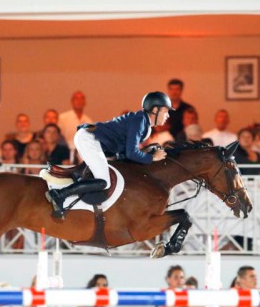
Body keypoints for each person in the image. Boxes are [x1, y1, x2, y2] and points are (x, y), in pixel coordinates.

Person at [46, 91, 170, 219]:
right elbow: (131, 153)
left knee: (104, 179)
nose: (167, 115)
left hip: (93, 140)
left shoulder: (145, 126)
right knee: (104, 181)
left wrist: (146, 154)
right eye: (165, 111)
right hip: (89, 139)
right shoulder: (139, 120)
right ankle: (59, 195)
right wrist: (153, 157)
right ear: (155, 110)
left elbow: (125, 154)